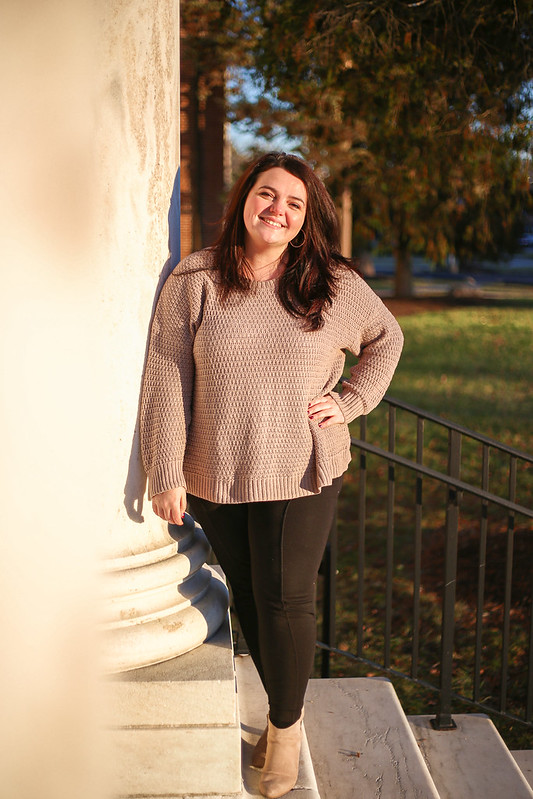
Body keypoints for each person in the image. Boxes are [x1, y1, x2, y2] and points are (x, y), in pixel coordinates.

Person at [140, 152, 403, 798]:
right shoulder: (196, 278)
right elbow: (167, 374)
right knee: (252, 593)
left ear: (304, 217)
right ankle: (288, 700)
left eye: (293, 202)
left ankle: (282, 727)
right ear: (244, 199)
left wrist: (347, 402)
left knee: (285, 596)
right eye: (267, 194)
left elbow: (385, 337)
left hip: (302, 465)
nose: (277, 209)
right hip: (216, 469)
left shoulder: (329, 281)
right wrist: (164, 466)